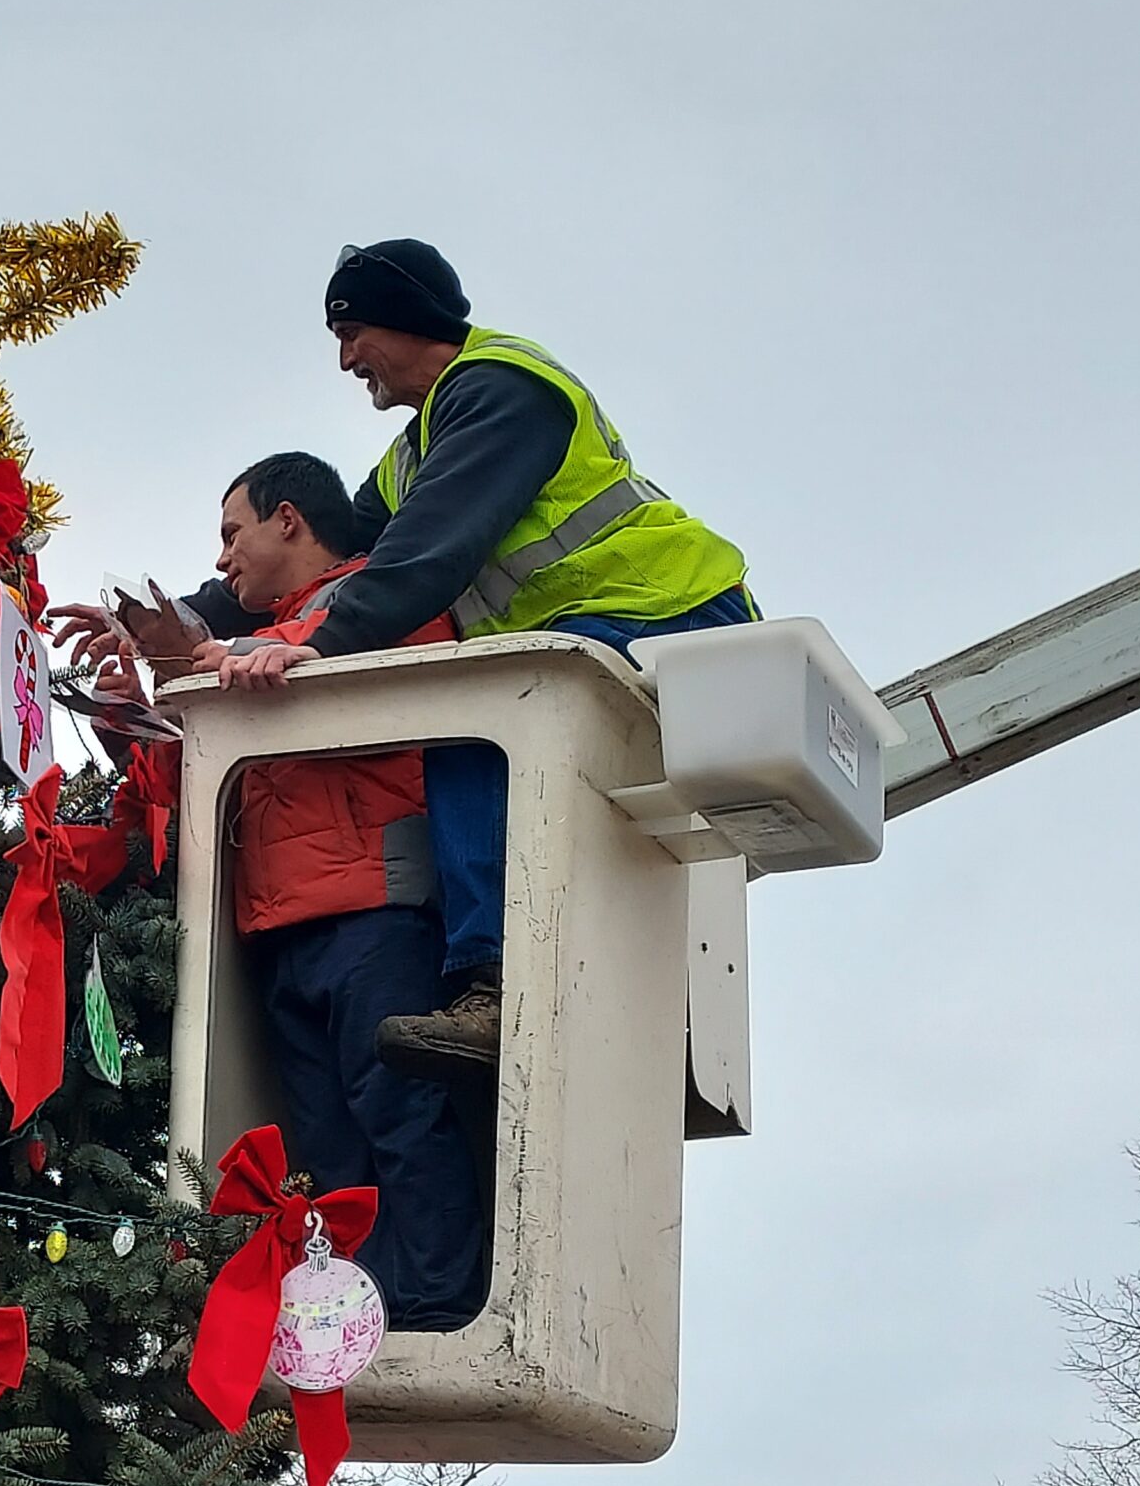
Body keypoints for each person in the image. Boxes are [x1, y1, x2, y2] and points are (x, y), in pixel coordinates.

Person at [213, 239, 762, 1080]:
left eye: (353, 331)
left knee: (471, 725)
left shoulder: (504, 391)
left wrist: (309, 646)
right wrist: (174, 620)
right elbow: (337, 550)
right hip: (594, 628)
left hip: (673, 612)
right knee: (478, 723)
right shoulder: (414, 449)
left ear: (407, 319)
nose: (345, 358)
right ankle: (501, 970)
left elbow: (421, 560)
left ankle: (494, 985)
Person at [86, 453, 489, 1329]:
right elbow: (188, 789)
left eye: (234, 533)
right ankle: (365, 1312)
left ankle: (435, 1303)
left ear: (291, 520)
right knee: (330, 1143)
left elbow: (397, 689)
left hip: (374, 910)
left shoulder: (380, 599)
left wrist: (225, 656)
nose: (224, 559)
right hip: (278, 926)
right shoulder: (267, 640)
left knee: (404, 1115)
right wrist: (133, 714)